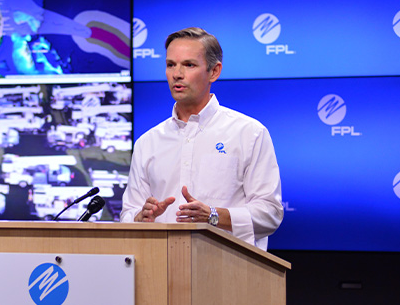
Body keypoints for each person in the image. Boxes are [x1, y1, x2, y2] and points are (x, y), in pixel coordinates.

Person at [120, 27, 283, 250]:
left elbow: (270, 213)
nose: (177, 74)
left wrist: (213, 216)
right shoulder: (148, 143)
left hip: (231, 271)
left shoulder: (249, 133)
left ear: (214, 72)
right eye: (170, 65)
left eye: (189, 65)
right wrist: (141, 217)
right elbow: (128, 215)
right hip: (159, 269)